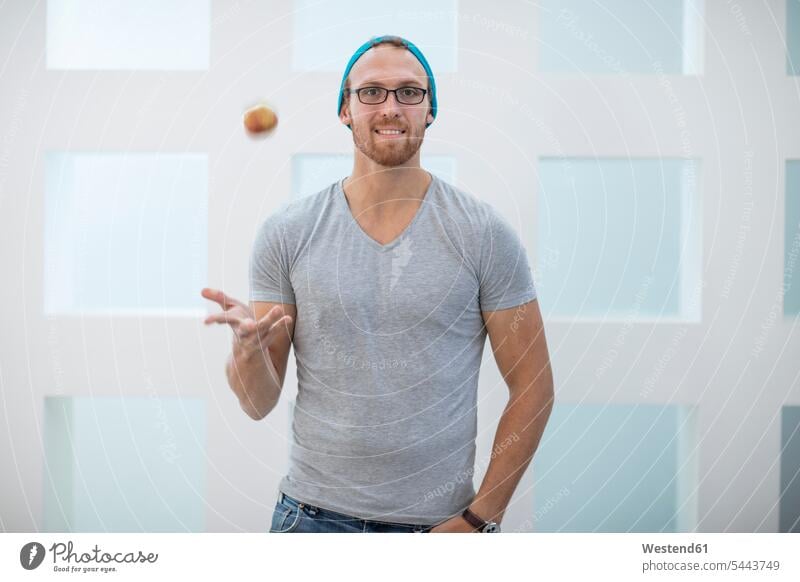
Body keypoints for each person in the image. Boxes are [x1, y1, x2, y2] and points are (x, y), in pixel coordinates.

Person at [202, 35, 554, 533]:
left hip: (439, 526)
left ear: (430, 110)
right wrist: (246, 353)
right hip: (309, 522)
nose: (390, 107)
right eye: (371, 92)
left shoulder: (484, 234)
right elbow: (258, 402)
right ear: (345, 109)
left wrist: (480, 519)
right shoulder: (287, 233)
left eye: (409, 92)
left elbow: (534, 387)